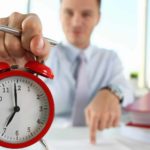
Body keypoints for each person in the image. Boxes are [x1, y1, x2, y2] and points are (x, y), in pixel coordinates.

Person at [0, 0, 134, 144]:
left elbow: (126, 90)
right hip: (50, 138)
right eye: (69, 13)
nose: (76, 22)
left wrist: (112, 92)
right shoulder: (41, 53)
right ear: (60, 14)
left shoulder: (110, 59)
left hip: (97, 141)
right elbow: (25, 86)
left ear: (98, 18)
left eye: (86, 14)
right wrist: (15, 63)